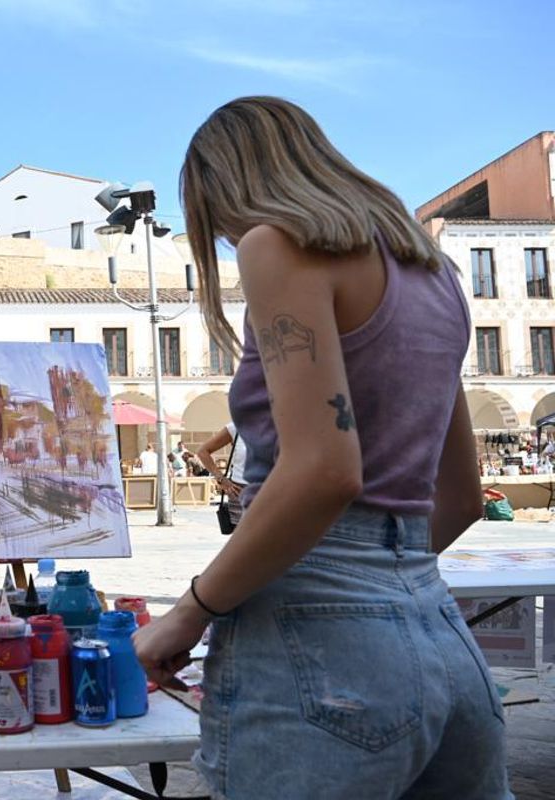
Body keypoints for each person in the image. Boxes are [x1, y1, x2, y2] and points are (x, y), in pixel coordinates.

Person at [135, 97, 508, 798]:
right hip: (441, 636)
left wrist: (185, 615)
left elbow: (324, 471)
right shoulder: (436, 277)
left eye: (213, 222)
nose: (224, 240)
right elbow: (459, 497)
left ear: (226, 187)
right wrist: (383, 587)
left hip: (318, 650)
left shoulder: (276, 244)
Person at [195, 423, 249, 528]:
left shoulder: (281, 424)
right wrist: (221, 479)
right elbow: (203, 452)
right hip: (239, 491)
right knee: (246, 539)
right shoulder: (236, 427)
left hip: (273, 490)